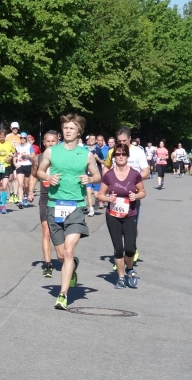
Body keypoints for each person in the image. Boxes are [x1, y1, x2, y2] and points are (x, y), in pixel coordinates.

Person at [37, 114, 101, 310]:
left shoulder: (86, 154)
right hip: (55, 205)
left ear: (79, 131)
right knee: (60, 255)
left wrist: (90, 179)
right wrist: (48, 177)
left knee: (69, 251)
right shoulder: (51, 151)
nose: (67, 131)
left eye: (72, 128)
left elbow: (97, 176)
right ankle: (72, 266)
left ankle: (62, 295)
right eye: (65, 128)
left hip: (76, 206)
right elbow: (39, 171)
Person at [95, 143, 145, 289]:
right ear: (114, 157)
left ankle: (130, 268)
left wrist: (136, 196)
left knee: (129, 248)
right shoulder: (109, 175)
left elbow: (143, 192)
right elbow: (100, 195)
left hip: (130, 214)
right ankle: (121, 277)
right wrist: (107, 199)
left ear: (127, 156)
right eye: (118, 154)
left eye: (123, 154)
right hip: (113, 215)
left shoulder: (134, 174)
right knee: (118, 249)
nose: (121, 156)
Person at [29, 130, 59, 277]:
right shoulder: (38, 158)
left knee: (61, 232)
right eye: (48, 141)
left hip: (61, 197)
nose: (50, 144)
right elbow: (33, 175)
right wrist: (30, 191)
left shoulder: (63, 158)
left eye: (53, 141)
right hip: (45, 197)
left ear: (58, 142)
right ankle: (47, 263)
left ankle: (64, 257)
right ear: (44, 143)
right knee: (46, 231)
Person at [14, 132, 36, 209]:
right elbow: (15, 156)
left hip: (28, 165)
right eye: (21, 138)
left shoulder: (29, 146)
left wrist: (27, 155)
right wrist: (15, 163)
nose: (22, 139)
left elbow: (33, 156)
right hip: (20, 166)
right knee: (20, 184)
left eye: (24, 138)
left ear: (26, 139)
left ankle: (25, 197)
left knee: (26, 185)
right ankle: (20, 201)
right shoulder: (17, 146)